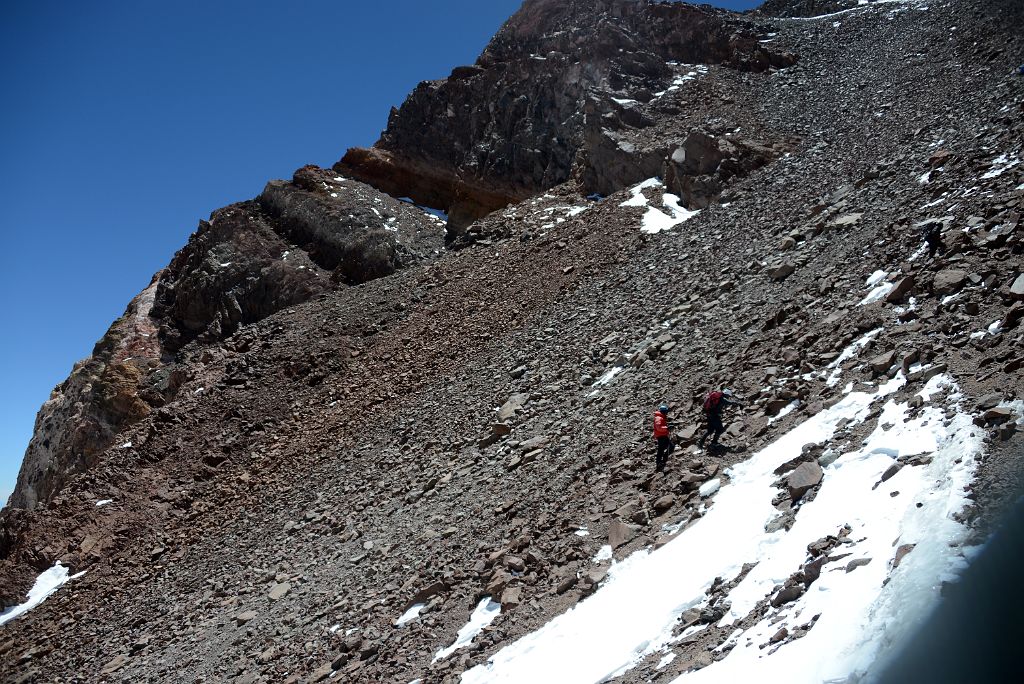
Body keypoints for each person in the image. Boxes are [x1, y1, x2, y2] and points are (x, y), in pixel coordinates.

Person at [653, 403, 674, 472]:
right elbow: (659, 427)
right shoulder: (659, 418)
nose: (667, 413)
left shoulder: (660, 417)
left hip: (663, 435)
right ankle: (660, 462)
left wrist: (667, 426)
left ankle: (661, 461)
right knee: (662, 449)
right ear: (664, 411)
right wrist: (667, 428)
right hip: (661, 436)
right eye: (666, 412)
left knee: (667, 447)